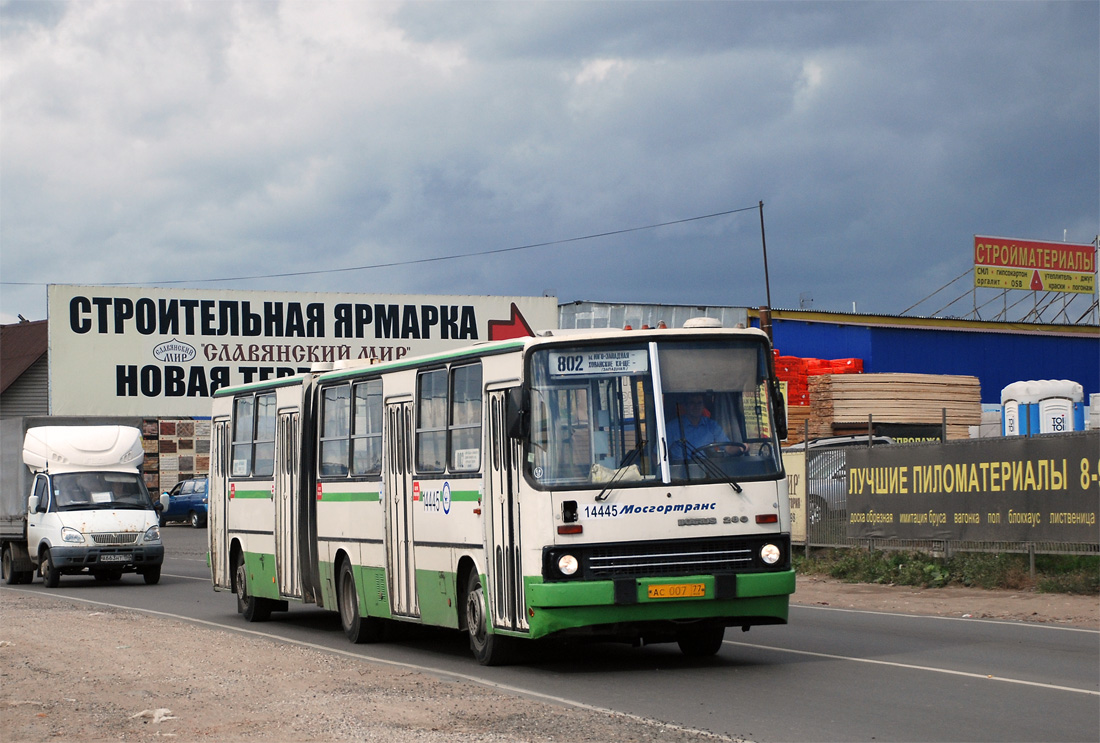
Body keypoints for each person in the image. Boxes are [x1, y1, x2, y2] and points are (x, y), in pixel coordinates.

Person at [667, 394, 748, 463]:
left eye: (699, 403)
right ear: (685, 406)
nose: (696, 406)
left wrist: (740, 447)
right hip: (683, 473)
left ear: (703, 406)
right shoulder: (672, 427)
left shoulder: (712, 425)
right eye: (692, 403)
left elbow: (728, 448)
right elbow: (656, 454)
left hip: (709, 470)